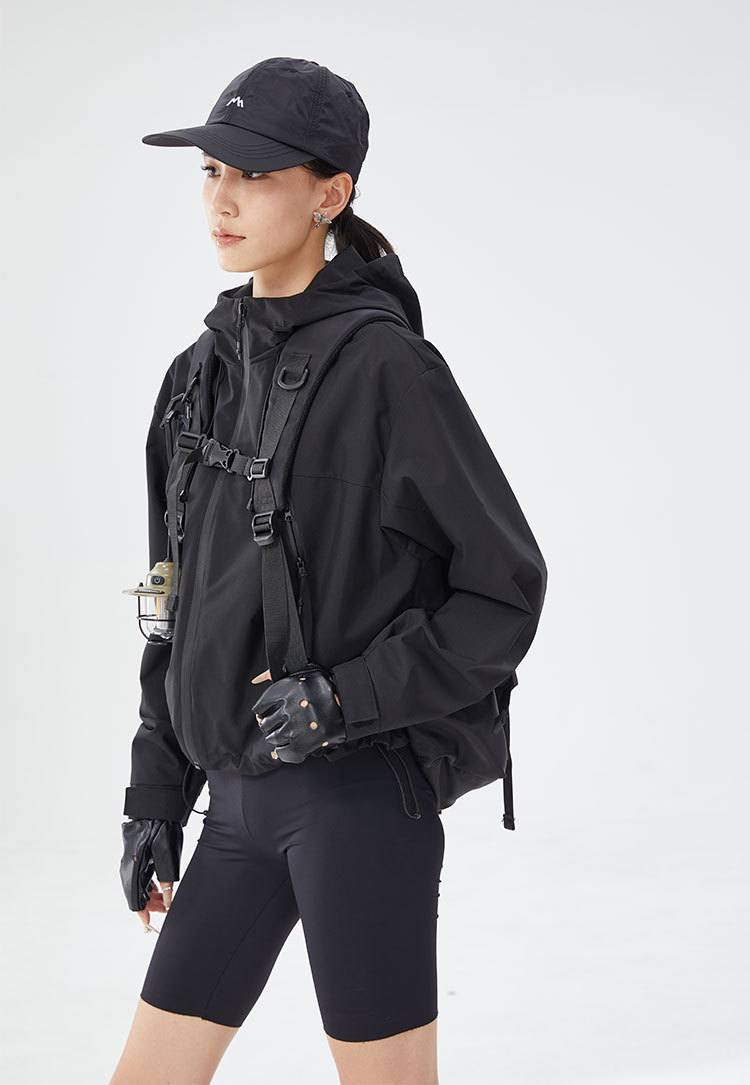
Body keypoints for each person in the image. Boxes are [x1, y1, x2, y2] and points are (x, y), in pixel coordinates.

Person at [111, 57, 548, 1085]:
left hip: (358, 805)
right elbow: (174, 601)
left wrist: (346, 696)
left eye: (255, 173)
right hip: (233, 809)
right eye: (212, 170)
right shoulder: (194, 379)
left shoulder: (390, 369)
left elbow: (504, 588)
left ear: (330, 193)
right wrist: (155, 794)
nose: (222, 198)